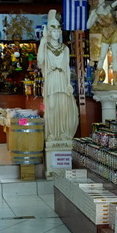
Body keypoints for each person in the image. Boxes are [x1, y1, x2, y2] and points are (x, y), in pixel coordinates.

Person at [37, 9, 78, 147]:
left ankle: (63, 134)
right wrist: (42, 41)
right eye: (53, 30)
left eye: (58, 30)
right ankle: (52, 134)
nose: (56, 32)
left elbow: (66, 68)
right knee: (51, 107)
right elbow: (40, 61)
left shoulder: (65, 49)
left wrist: (69, 83)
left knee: (63, 108)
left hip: (62, 80)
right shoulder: (46, 47)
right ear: (49, 32)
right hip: (51, 80)